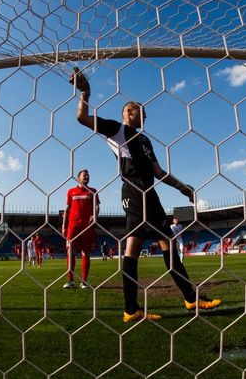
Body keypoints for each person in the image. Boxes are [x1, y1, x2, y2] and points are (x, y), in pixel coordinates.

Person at [72, 68, 220, 322]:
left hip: (147, 195)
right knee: (164, 244)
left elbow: (158, 172)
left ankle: (132, 310)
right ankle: (189, 299)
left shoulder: (145, 140)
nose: (147, 115)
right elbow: (82, 118)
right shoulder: (116, 130)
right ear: (129, 112)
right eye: (142, 111)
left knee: (138, 248)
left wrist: (183, 187)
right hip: (135, 192)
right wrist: (85, 92)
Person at [62, 169, 99, 289]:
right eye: (84, 175)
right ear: (78, 178)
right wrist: (64, 225)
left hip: (87, 226)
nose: (87, 177)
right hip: (73, 226)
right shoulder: (71, 191)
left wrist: (95, 215)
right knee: (70, 251)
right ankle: (70, 280)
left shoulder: (93, 191)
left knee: (85, 253)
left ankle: (84, 282)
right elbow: (67, 209)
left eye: (88, 175)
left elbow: (97, 206)